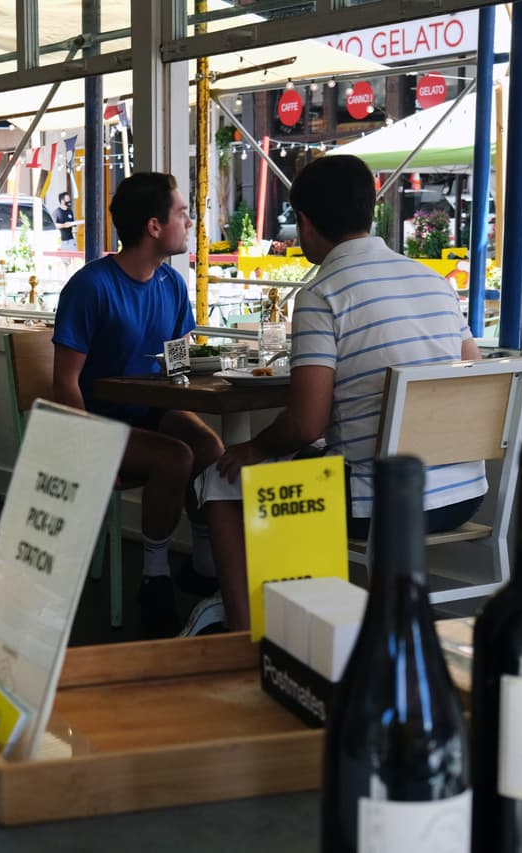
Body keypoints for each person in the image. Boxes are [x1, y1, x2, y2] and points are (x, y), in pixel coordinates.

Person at [191, 155, 484, 633]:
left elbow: (307, 424)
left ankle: (242, 639)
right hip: (463, 493)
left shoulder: (322, 294)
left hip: (378, 504)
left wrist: (253, 448)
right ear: (370, 211)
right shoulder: (437, 283)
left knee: (222, 478)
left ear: (304, 223)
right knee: (307, 461)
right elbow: (469, 375)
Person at [52, 172, 224, 637]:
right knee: (176, 457)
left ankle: (204, 567)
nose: (190, 222)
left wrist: (203, 367)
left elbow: (178, 363)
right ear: (154, 226)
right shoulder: (91, 287)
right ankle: (155, 577)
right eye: (182, 213)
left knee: (210, 450)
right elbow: (65, 381)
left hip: (149, 412)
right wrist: (84, 442)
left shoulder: (171, 285)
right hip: (98, 420)